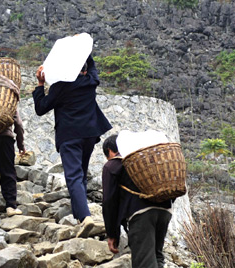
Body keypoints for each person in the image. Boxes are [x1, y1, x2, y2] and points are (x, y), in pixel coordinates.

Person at [32, 54, 112, 238]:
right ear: (83, 69)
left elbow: (40, 108)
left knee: (74, 176)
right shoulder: (90, 81)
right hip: (89, 135)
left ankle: (85, 217)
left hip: (69, 136)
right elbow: (92, 67)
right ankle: (79, 217)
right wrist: (85, 51)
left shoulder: (60, 87)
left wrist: (39, 84)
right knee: (81, 175)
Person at [102, 134, 173, 268]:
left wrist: (112, 234)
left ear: (110, 151)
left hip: (141, 215)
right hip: (165, 210)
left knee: (144, 262)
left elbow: (109, 201)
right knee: (157, 257)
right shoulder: (145, 160)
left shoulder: (112, 165)